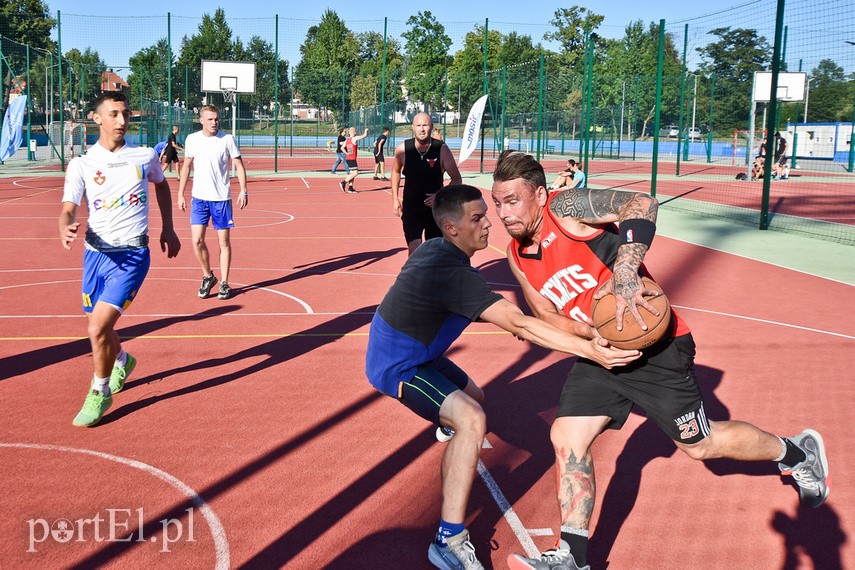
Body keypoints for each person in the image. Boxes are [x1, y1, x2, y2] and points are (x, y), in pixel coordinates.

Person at [491, 151, 830, 570]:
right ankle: (572, 558)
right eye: (497, 203)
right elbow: (545, 315)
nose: (504, 212)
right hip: (601, 354)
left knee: (701, 447)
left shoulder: (566, 208)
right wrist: (592, 337)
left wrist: (626, 270)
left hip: (658, 348)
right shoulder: (516, 254)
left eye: (512, 200)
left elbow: (642, 203)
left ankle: (795, 453)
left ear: (540, 195)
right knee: (566, 437)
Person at [365, 184, 640, 570]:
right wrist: (590, 349)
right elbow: (520, 323)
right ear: (451, 227)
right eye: (476, 218)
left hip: (420, 351)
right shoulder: (452, 274)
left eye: (485, 215)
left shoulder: (435, 249)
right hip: (400, 364)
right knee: (472, 420)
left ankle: (449, 425)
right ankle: (448, 540)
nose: (488, 224)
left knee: (474, 398)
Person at [58, 91, 181, 427]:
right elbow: (68, 206)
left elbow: (162, 185)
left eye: (125, 114)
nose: (122, 121)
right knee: (99, 327)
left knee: (97, 327)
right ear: (96, 118)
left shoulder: (143, 156)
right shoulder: (82, 163)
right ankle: (122, 360)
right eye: (113, 114)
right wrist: (66, 224)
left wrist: (168, 228)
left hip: (132, 255)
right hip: (95, 255)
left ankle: (99, 391)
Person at [177, 105, 249, 301]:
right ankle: (208, 276)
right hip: (199, 198)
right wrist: (180, 194)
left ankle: (224, 282)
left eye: (216, 119)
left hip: (221, 199)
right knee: (197, 240)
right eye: (210, 119)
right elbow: (186, 167)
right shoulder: (192, 139)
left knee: (223, 242)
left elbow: (239, 166)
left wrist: (243, 190)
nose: (214, 122)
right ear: (201, 120)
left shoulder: (227, 139)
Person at [391, 112, 463, 255]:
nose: (422, 129)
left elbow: (456, 178)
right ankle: (414, 277)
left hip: (435, 210)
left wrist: (439, 196)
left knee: (434, 251)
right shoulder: (403, 149)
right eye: (418, 125)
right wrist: (394, 198)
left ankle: (433, 276)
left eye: (425, 125)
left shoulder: (441, 149)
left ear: (431, 127)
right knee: (414, 248)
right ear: (413, 127)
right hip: (412, 207)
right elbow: (395, 172)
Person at [341, 126, 369, 193]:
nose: (355, 132)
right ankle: (343, 182)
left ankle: (350, 188)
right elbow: (364, 136)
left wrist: (347, 153)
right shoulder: (354, 138)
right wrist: (366, 130)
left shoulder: (347, 140)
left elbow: (342, 148)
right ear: (353, 132)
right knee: (355, 173)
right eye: (355, 131)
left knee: (352, 173)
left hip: (348, 158)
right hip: (352, 158)